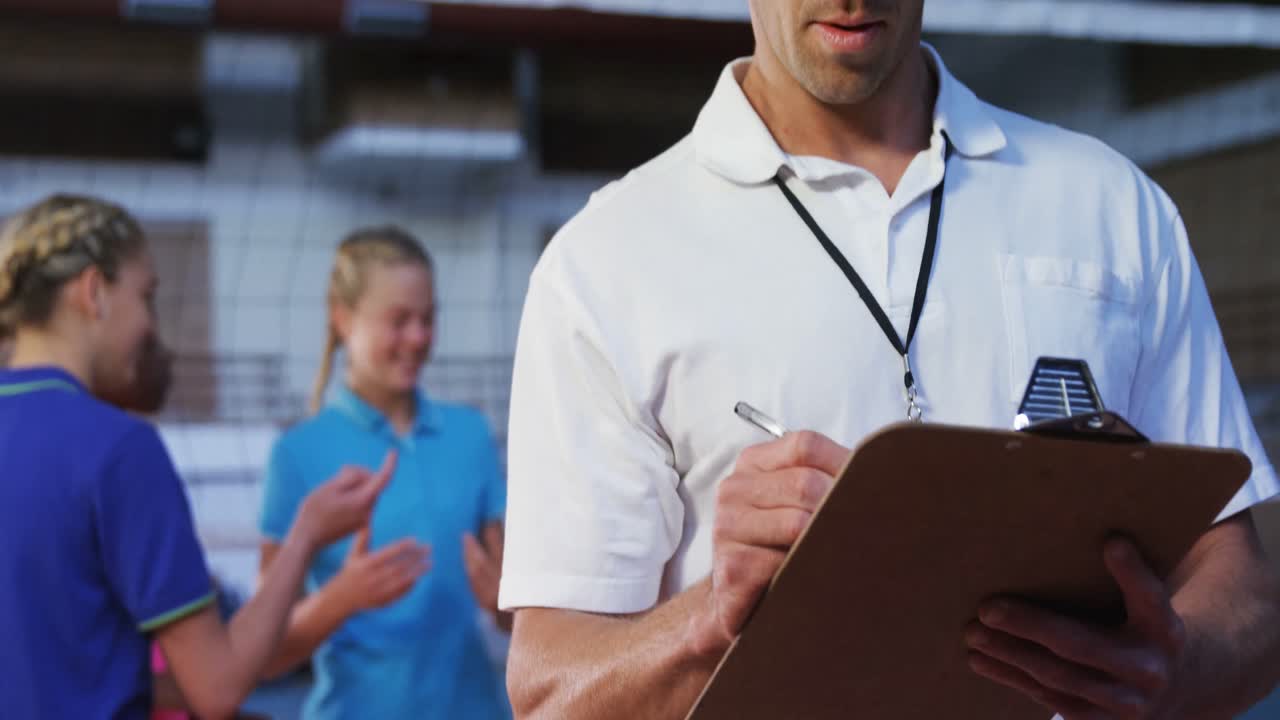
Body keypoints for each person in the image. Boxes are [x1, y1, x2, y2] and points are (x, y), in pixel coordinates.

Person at [499, 1, 1280, 718]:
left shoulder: (1109, 205)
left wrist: (1177, 670)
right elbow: (549, 694)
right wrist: (711, 618)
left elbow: (1244, 596)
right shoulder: (607, 262)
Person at [0, 194, 393, 720]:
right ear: (94, 293)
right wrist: (306, 537)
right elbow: (218, 686)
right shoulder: (117, 448)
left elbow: (53, 664)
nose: (154, 327)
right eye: (148, 297)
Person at [258, 226, 511, 720]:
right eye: (398, 320)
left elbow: (513, 613)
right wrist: (340, 599)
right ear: (342, 318)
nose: (418, 337)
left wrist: (506, 608)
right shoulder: (297, 454)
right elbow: (264, 655)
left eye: (428, 318)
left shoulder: (470, 435)